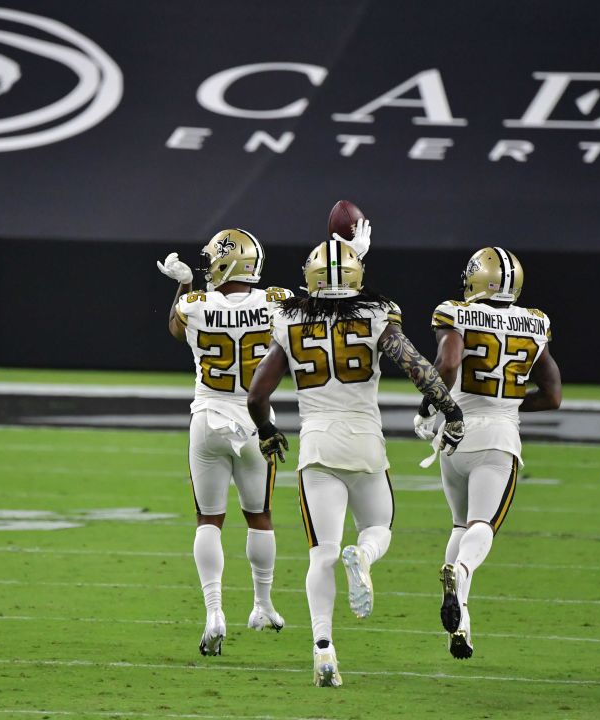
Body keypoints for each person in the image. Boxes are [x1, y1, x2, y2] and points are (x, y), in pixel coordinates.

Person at [247, 223, 464, 687]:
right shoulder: (378, 313)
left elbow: (256, 394)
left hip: (317, 445)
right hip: (366, 441)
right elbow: (417, 367)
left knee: (320, 554)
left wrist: (267, 432)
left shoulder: (288, 318)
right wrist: (449, 407)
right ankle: (363, 555)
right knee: (379, 528)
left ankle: (323, 650)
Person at [414, 247, 561, 660]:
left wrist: (430, 406)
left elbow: (446, 364)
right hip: (497, 435)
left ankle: (460, 624)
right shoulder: (535, 322)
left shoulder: (455, 311)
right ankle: (458, 575)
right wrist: (510, 406)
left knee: (460, 526)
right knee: (483, 526)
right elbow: (553, 396)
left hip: (455, 433)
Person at [157, 230, 292, 656]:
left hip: (208, 420)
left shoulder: (196, 305)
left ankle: (215, 612)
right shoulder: (278, 301)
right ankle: (263, 604)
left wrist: (183, 285)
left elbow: (176, 330)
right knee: (260, 517)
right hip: (256, 421)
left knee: (208, 521)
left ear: (221, 264)